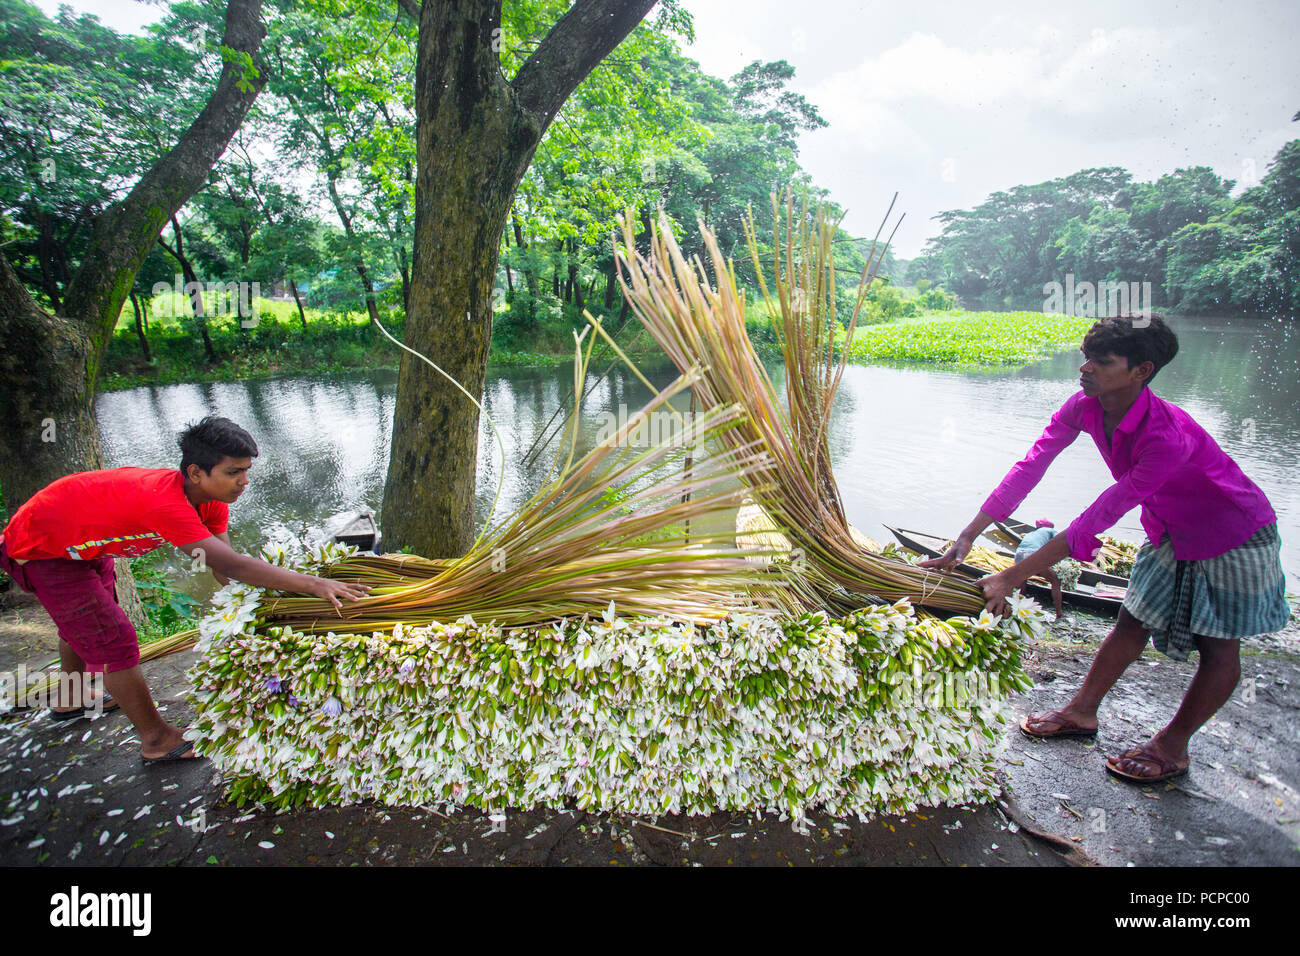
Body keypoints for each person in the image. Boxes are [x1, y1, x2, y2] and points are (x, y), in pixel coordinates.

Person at [921, 315, 1289, 785]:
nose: (1086, 368)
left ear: (1141, 370)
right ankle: (1082, 713)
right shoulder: (1084, 406)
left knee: (1219, 649)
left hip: (1231, 531)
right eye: (1086, 357)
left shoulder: (1165, 436)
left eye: (1102, 361)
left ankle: (1172, 747)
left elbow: (1099, 516)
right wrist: (970, 534)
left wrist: (1013, 576)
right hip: (1171, 529)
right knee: (1131, 620)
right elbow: (1031, 466)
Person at [0, 417, 369, 763]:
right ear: (195, 472)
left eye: (246, 471)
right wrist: (316, 585)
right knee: (116, 643)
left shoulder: (211, 500)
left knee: (83, 625)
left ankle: (70, 697)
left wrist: (264, 605)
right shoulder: (166, 503)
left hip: (88, 541)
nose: (243, 481)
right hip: (45, 548)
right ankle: (157, 741)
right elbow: (233, 565)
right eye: (233, 472)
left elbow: (223, 564)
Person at [1013, 520, 1065, 619]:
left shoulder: (1032, 533)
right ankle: (1059, 613)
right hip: (1032, 553)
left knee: (1022, 579)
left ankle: (1017, 604)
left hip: (1019, 553)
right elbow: (1061, 543)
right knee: (1055, 581)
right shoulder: (1050, 531)